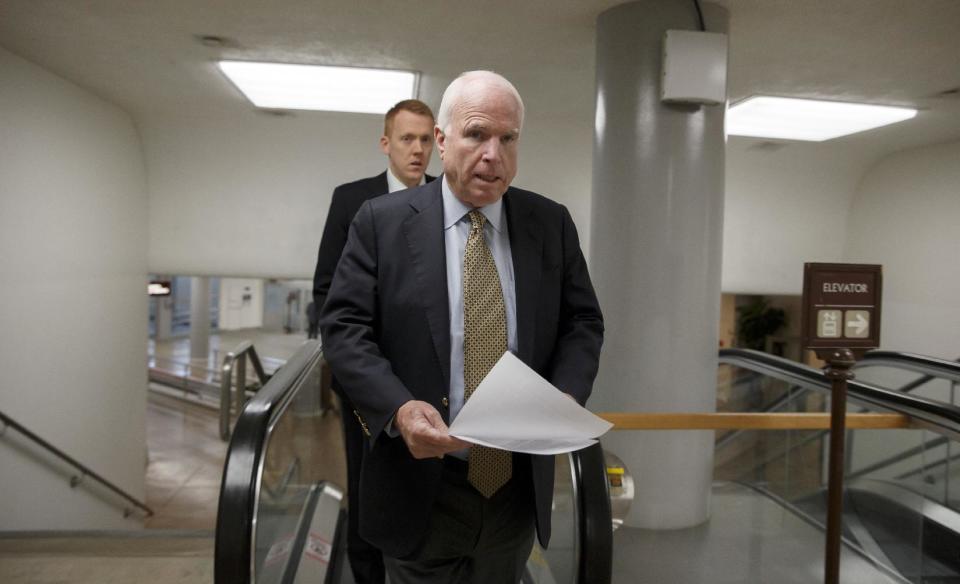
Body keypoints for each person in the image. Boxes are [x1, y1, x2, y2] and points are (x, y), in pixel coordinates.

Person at [319, 71, 603, 583]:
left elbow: (582, 321)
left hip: (513, 488)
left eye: (508, 138)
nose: (493, 154)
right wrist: (399, 408)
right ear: (443, 142)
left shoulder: (550, 224)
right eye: (476, 135)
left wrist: (560, 399)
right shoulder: (379, 222)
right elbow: (343, 327)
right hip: (419, 481)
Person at [310, 98, 436, 584]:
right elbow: (327, 290)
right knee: (367, 485)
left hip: (429, 377)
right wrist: (357, 365)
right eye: (407, 138)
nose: (418, 149)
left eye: (426, 139)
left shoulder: (448, 199)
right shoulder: (352, 200)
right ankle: (367, 575)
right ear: (386, 143)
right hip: (366, 379)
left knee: (424, 480)